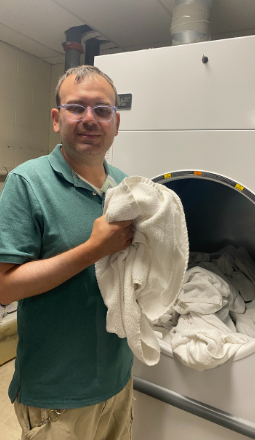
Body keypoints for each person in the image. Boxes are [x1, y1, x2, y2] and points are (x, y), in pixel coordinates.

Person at [0, 66, 134, 439]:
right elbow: (4, 288)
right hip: (57, 392)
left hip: (118, 377)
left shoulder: (124, 184)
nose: (90, 119)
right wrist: (92, 250)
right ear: (57, 119)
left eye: (102, 110)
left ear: (116, 123)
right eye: (77, 107)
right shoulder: (26, 183)